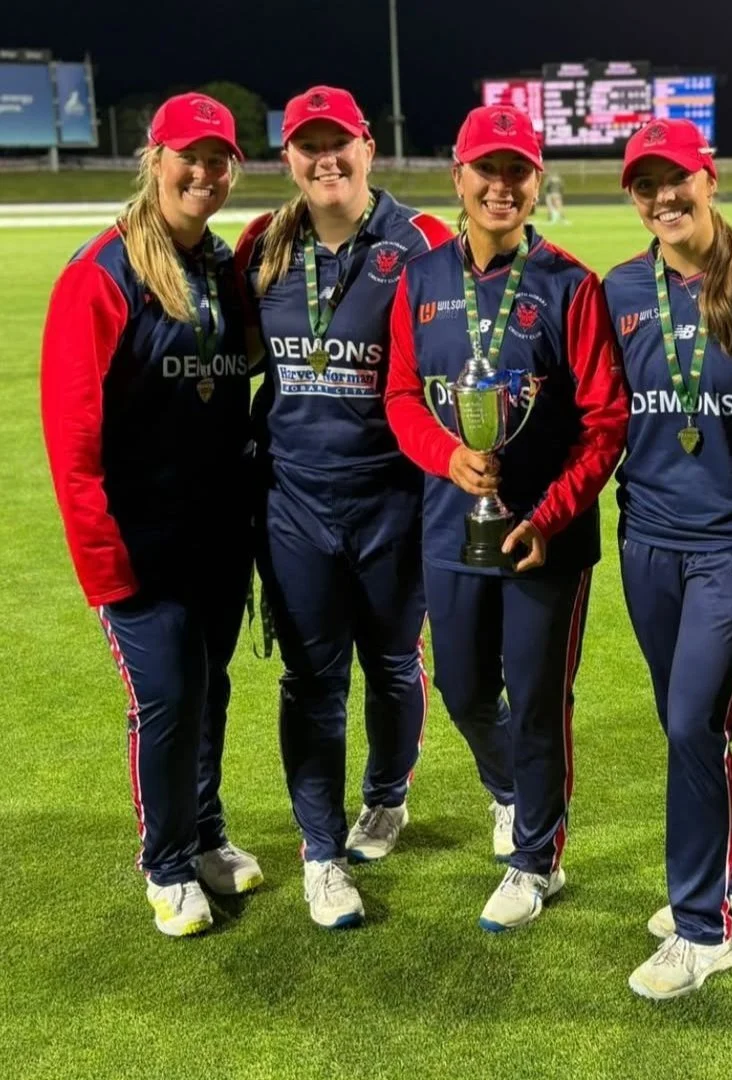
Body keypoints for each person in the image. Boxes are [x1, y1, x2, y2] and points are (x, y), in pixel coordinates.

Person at [385, 104, 628, 931]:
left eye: (517, 171)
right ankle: (517, 795)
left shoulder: (571, 284)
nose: (501, 185)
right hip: (452, 522)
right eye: (486, 170)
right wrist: (445, 456)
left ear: (537, 182)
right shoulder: (420, 280)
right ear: (457, 178)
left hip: (544, 541)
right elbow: (400, 396)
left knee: (535, 699)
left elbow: (604, 423)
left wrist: (551, 515)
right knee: (459, 688)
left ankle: (535, 858)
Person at [603, 118, 732, 999]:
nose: (663, 197)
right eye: (645, 185)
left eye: (676, 179)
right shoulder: (619, 289)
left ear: (710, 177)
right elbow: (600, 415)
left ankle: (703, 928)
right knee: (687, 724)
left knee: (694, 721)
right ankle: (731, 874)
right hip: (646, 538)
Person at [41, 93, 262, 938]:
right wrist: (103, 561)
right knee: (167, 697)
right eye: (189, 156)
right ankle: (166, 865)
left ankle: (204, 834)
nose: (203, 173)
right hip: (138, 544)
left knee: (208, 690)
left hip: (215, 538)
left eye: (218, 160)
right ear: (155, 157)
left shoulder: (217, 267)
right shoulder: (100, 275)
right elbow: (73, 442)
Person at [234, 86, 453, 929]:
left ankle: (387, 797)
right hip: (295, 506)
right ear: (288, 158)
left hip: (395, 501)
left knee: (395, 666)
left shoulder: (423, 242)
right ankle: (321, 853)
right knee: (310, 681)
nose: (325, 160)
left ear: (369, 147)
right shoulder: (265, 242)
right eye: (306, 146)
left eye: (340, 144)